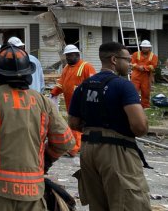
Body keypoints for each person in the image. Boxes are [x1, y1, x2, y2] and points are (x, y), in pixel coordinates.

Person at [0, 44, 75, 209]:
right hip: (33, 193)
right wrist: (46, 161)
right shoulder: (43, 102)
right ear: (28, 72)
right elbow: (65, 140)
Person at [68, 41, 151, 209]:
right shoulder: (123, 86)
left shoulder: (83, 87)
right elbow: (140, 127)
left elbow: (73, 123)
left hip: (88, 150)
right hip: (117, 151)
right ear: (114, 59)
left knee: (98, 203)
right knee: (128, 202)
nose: (130, 64)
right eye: (127, 60)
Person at [49, 44, 96, 157]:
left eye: (70, 55)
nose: (68, 58)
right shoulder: (66, 68)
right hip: (70, 101)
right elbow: (62, 83)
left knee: (77, 123)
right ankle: (76, 146)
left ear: (77, 55)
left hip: (82, 101)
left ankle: (74, 148)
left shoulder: (86, 67)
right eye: (67, 56)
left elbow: (93, 84)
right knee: (73, 123)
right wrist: (54, 92)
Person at [131, 40, 158, 109]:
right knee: (133, 90)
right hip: (136, 75)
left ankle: (145, 105)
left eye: (146, 47)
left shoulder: (153, 56)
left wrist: (144, 68)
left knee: (145, 91)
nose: (144, 49)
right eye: (143, 47)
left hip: (146, 76)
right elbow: (133, 63)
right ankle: (133, 104)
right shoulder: (135, 54)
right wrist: (138, 67)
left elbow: (153, 66)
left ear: (149, 48)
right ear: (141, 47)